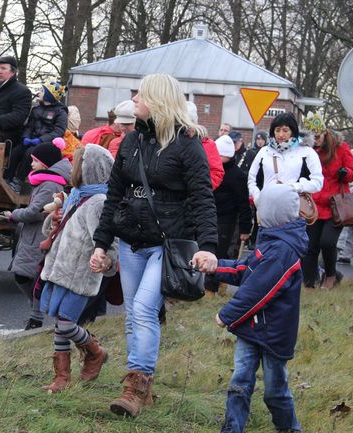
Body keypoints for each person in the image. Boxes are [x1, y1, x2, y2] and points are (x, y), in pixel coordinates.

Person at [92, 73, 218, 418]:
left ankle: (134, 387)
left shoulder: (187, 145)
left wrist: (208, 246)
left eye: (140, 95)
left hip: (167, 243)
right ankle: (144, 388)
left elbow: (203, 198)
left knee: (145, 309)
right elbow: (113, 194)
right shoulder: (131, 141)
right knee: (133, 315)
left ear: (158, 100)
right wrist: (102, 243)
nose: (134, 99)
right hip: (131, 241)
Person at [210, 183, 306, 433]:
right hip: (251, 328)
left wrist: (226, 315)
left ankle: (289, 428)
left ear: (271, 213)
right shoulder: (271, 238)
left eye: (259, 209)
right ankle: (232, 428)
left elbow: (258, 291)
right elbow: (247, 270)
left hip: (273, 333)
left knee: (275, 391)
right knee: (239, 382)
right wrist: (215, 266)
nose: (256, 213)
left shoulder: (283, 250)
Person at [39, 145, 117, 391]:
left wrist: (105, 259)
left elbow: (106, 240)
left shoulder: (98, 202)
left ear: (89, 169)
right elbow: (58, 233)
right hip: (62, 271)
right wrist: (52, 221)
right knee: (60, 323)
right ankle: (62, 377)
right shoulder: (77, 195)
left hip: (80, 275)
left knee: (66, 324)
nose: (74, 168)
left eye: (78, 163)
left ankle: (95, 352)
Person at [5, 141, 71, 330]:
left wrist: (14, 215)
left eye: (34, 161)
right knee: (31, 278)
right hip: (33, 236)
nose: (31, 164)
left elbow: (35, 211)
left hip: (39, 237)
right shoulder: (48, 181)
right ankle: (36, 316)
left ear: (45, 163)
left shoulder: (50, 184)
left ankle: (40, 316)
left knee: (27, 278)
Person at [301, 113, 353, 289]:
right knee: (310, 246)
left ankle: (331, 275)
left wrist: (345, 173)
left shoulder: (340, 148)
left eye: (317, 136)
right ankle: (309, 282)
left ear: (324, 133)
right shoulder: (307, 151)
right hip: (314, 206)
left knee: (327, 242)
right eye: (311, 137)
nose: (315, 140)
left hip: (335, 205)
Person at [203, 135, 251, 296]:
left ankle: (212, 288)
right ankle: (214, 284)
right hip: (209, 215)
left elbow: (243, 203)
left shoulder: (236, 176)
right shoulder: (209, 170)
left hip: (227, 220)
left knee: (219, 253)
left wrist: (245, 228)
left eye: (218, 156)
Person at [248, 112, 323, 206]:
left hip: (295, 209)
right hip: (267, 207)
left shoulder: (306, 152)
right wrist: (258, 197)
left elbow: (317, 182)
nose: (280, 135)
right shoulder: (264, 151)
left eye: (285, 130)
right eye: (277, 130)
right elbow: (252, 178)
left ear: (293, 131)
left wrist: (294, 187)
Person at [7, 81, 68, 192]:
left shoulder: (60, 112)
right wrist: (25, 137)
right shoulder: (36, 109)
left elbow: (58, 131)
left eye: (42, 91)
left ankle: (18, 182)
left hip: (46, 143)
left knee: (30, 154)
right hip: (31, 140)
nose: (39, 93)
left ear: (49, 95)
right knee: (16, 151)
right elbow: (29, 127)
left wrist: (40, 140)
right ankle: (8, 178)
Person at [185, 101, 225, 190]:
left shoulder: (207, 144)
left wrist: (201, 188)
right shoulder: (170, 140)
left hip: (196, 196)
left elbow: (217, 172)